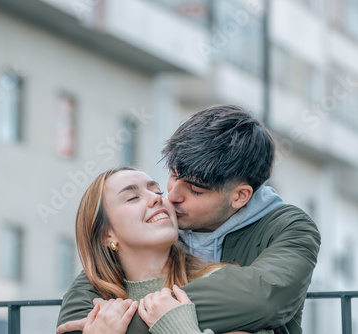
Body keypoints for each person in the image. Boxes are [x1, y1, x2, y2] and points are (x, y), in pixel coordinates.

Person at [56, 105, 321, 334]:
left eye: (195, 190)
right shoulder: (160, 227)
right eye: (172, 176)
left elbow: (263, 299)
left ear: (240, 196)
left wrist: (124, 323)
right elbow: (82, 302)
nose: (169, 196)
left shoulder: (289, 228)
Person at [62, 165, 272, 334]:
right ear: (107, 235)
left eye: (157, 191)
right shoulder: (95, 312)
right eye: (133, 197)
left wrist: (179, 327)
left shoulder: (222, 283)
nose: (158, 198)